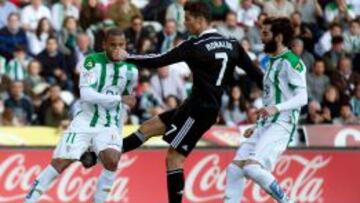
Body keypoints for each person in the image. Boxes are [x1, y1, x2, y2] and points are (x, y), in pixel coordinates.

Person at [92, 2, 262, 203]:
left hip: (198, 110)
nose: (185, 23)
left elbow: (159, 59)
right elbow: (257, 75)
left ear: (200, 20)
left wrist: (128, 57)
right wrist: (272, 102)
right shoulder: (233, 44)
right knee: (149, 126)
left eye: (188, 19)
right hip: (199, 107)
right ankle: (95, 155)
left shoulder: (194, 46)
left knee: (174, 157)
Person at [24, 28, 138, 203]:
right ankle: (28, 200)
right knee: (60, 162)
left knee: (113, 160)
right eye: (113, 45)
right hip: (85, 121)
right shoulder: (91, 61)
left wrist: (120, 123)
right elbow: (86, 95)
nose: (117, 49)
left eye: (121, 45)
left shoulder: (131, 70)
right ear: (104, 44)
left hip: (109, 124)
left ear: (126, 45)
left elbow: (127, 103)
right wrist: (119, 98)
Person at [224, 17, 308, 203]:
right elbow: (271, 99)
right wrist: (257, 125)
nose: (261, 38)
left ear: (278, 38)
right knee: (234, 169)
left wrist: (276, 108)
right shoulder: (270, 62)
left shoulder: (292, 62)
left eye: (265, 33)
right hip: (266, 124)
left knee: (252, 168)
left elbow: (303, 98)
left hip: (283, 124)